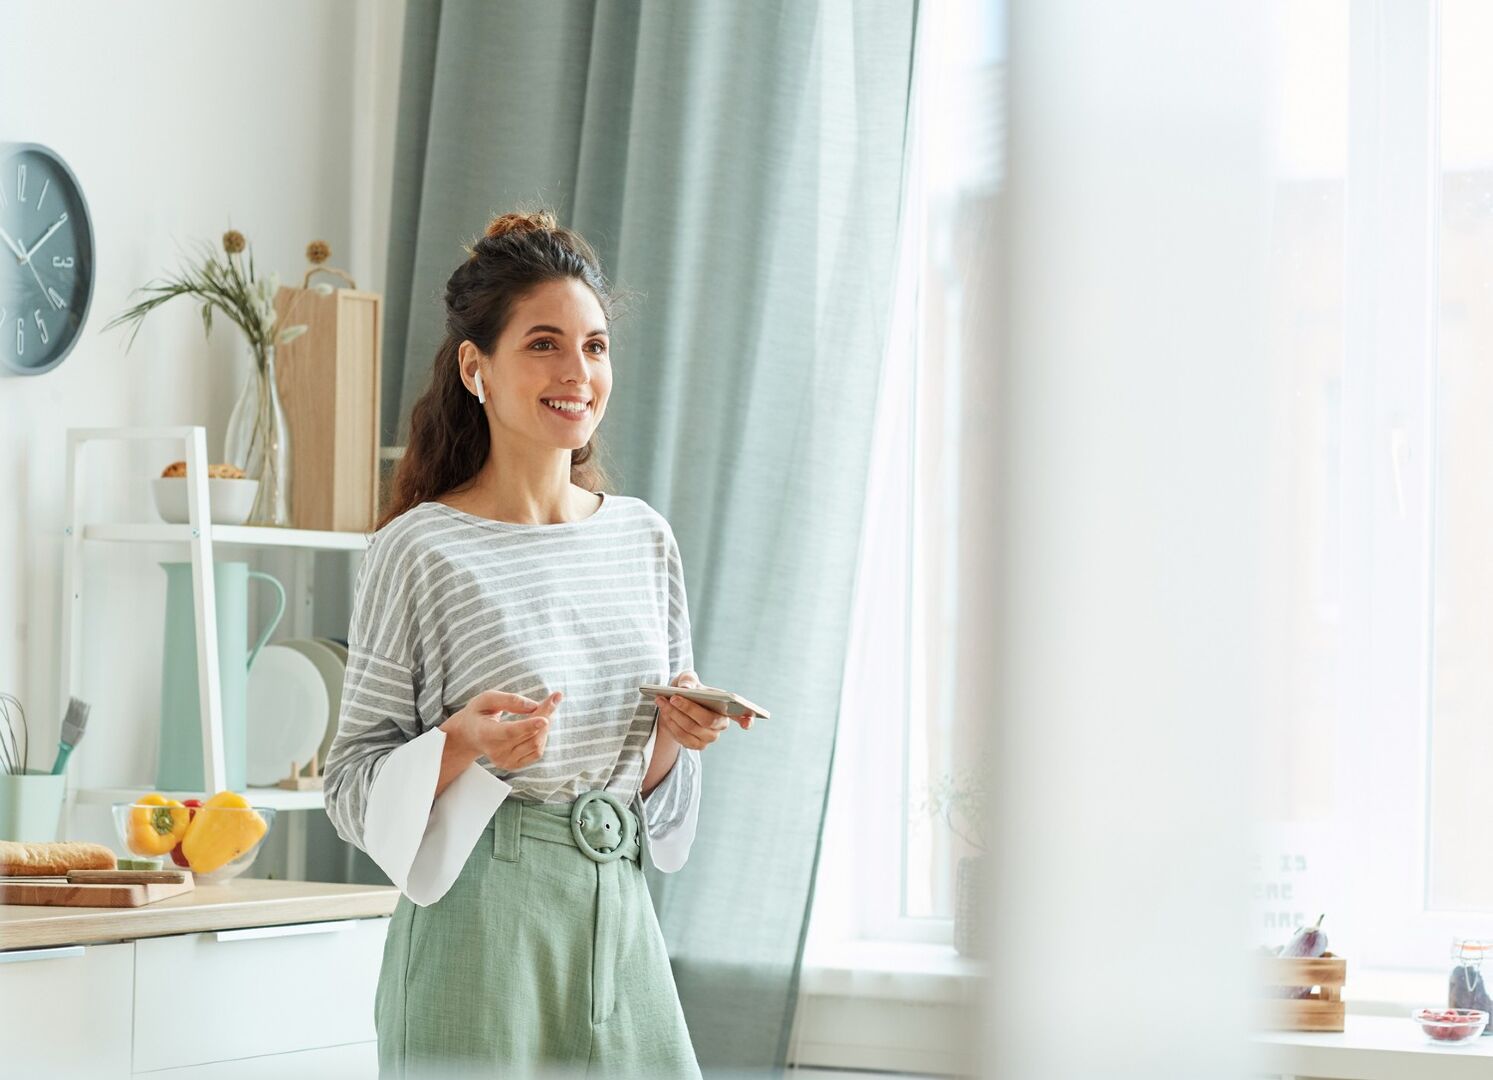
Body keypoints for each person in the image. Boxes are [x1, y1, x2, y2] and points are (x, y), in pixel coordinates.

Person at [322, 209, 755, 1080]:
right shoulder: (420, 548)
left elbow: (647, 788)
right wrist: (463, 742)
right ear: (475, 367)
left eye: (594, 347)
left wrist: (677, 734)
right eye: (545, 345)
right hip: (478, 922)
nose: (577, 373)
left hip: (618, 907)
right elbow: (348, 784)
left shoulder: (643, 539)